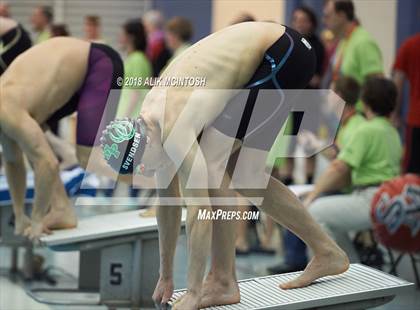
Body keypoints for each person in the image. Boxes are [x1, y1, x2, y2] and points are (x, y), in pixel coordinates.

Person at [99, 22, 349, 310]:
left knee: (214, 166)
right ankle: (327, 251)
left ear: (144, 146)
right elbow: (167, 204)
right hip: (277, 54)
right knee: (247, 176)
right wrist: (165, 275)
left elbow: (199, 211)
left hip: (280, 53)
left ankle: (222, 281)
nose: (145, 173)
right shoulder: (151, 132)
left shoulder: (171, 128)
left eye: (142, 167)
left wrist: (193, 291)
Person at [0, 37, 124, 239]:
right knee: (32, 141)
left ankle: (162, 182)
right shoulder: (4, 113)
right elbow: (13, 162)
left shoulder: (6, 110)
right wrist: (19, 214)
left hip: (99, 64)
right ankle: (61, 209)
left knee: (88, 158)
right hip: (73, 71)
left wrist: (37, 219)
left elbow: (48, 163)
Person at [270, 76, 364, 274]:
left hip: (347, 189)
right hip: (342, 187)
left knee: (302, 204)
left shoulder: (355, 125)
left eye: (329, 93)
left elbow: (341, 165)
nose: (325, 98)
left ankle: (299, 260)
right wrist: (317, 145)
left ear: (338, 96)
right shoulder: (347, 123)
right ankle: (295, 259)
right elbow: (338, 154)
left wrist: (314, 194)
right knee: (296, 200)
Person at [302, 77, 402, 263]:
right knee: (328, 217)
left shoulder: (366, 130)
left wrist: (312, 196)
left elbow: (339, 166)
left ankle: (345, 266)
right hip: (389, 200)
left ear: (364, 102)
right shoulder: (391, 131)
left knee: (312, 212)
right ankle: (348, 263)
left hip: (370, 199)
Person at [322, 0, 383, 107]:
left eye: (328, 16)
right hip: (343, 114)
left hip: (360, 115)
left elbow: (377, 85)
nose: (324, 21)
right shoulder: (344, 40)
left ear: (341, 16)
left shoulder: (363, 42)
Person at [393, 33, 420, 175]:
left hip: (416, 120)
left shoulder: (410, 45)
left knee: (413, 174)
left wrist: (393, 114)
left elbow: (398, 81)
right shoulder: (410, 46)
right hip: (416, 119)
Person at [117, 18, 152, 117]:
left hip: (132, 114)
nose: (119, 37)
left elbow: (136, 91)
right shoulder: (132, 58)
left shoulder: (138, 59)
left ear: (131, 37)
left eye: (122, 34)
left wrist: (125, 118)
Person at [143, 10, 171, 76]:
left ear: (151, 25)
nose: (144, 28)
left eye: (145, 25)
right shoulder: (164, 38)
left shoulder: (155, 42)